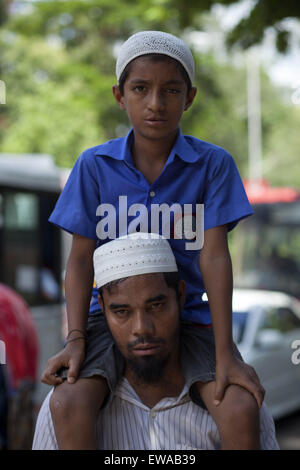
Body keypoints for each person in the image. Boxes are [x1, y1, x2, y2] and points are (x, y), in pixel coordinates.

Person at [42, 31, 265, 450]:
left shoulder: (213, 165)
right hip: (110, 322)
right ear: (120, 95)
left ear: (190, 97)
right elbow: (79, 261)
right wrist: (75, 340)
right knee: (69, 403)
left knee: (238, 409)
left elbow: (215, 257)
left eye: (171, 90)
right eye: (140, 89)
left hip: (189, 321)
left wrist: (226, 350)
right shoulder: (93, 166)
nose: (156, 103)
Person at [33, 234, 279, 450]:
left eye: (156, 306)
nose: (141, 328)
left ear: (180, 296)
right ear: (104, 309)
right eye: (122, 312)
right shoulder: (65, 409)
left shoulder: (238, 403)